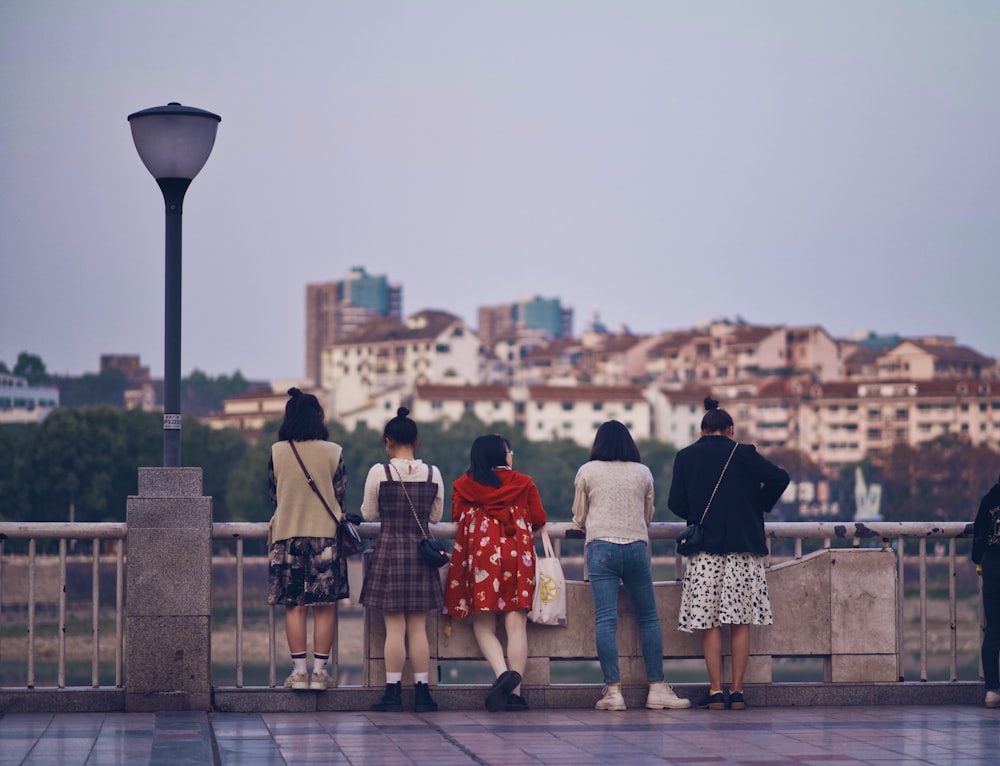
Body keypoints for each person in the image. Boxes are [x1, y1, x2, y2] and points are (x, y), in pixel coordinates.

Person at [667, 397, 789, 710]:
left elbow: (675, 504)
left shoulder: (686, 456)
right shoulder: (743, 453)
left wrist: (698, 512)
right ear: (730, 429)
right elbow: (780, 478)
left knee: (708, 622)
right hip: (743, 549)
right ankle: (737, 691)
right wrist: (756, 504)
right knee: (740, 621)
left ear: (701, 430)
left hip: (705, 549)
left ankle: (715, 691)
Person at [572, 420, 691, 711]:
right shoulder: (643, 473)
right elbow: (648, 515)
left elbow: (579, 517)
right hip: (636, 547)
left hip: (600, 548)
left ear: (598, 443)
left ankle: (613, 692)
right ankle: (657, 688)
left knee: (606, 621)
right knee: (649, 619)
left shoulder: (587, 471)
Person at [444, 434, 547, 712]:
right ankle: (514, 694)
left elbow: (456, 515)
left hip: (482, 558)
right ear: (502, 456)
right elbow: (539, 518)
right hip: (518, 556)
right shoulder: (523, 482)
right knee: (516, 625)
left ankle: (503, 675)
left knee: (484, 623)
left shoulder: (464, 486)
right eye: (509, 451)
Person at [360, 407, 446, 713]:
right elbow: (435, 517)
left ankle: (393, 691)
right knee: (418, 628)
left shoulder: (378, 473)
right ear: (417, 440)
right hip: (422, 555)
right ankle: (423, 693)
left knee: (394, 630)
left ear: (388, 441)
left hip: (390, 553)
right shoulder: (434, 473)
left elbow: (369, 514)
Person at [267, 388, 349, 691]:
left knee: (295, 606)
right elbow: (340, 494)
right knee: (325, 606)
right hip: (325, 538)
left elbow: (274, 495)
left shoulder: (278, 452)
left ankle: (299, 673)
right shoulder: (334, 451)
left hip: (287, 537)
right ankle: (320, 673)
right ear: (318, 418)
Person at [972, 474, 1000, 709]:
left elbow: (978, 537)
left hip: (993, 567)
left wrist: (978, 559)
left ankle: (992, 690)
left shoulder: (989, 499)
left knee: (993, 630)